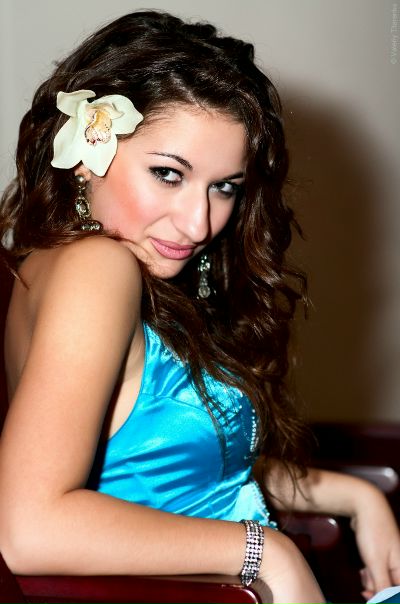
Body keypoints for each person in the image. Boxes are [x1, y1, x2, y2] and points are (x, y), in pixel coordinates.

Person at [0, 10, 398, 603]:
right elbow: (28, 528)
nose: (199, 223)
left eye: (224, 187)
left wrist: (356, 496)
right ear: (87, 152)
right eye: (168, 174)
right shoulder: (97, 268)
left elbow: (175, 473)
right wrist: (266, 552)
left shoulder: (75, 265)